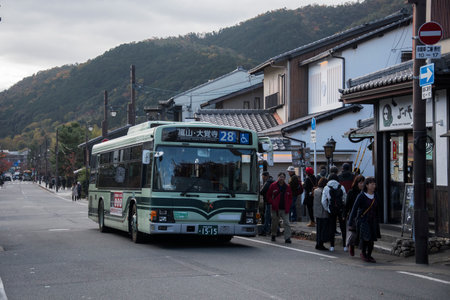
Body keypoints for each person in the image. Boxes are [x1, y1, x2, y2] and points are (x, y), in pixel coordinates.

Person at [348, 177, 380, 263]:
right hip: (363, 220)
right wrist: (350, 221)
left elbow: (378, 208)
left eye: (374, 184)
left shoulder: (376, 195)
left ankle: (369, 254)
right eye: (372, 184)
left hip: (373, 220)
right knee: (366, 238)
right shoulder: (361, 196)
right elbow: (354, 209)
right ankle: (363, 253)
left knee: (372, 239)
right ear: (367, 185)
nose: (374, 186)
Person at [321, 173, 347, 252]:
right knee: (343, 227)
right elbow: (345, 198)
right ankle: (344, 246)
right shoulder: (341, 187)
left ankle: (332, 246)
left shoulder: (326, 187)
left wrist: (327, 209)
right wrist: (343, 206)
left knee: (332, 227)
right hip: (340, 209)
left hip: (331, 210)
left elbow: (323, 201)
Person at [267, 172, 293, 243]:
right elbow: (268, 195)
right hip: (276, 208)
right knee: (274, 222)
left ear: (285, 178)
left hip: (285, 208)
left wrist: (289, 204)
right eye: (280, 177)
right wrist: (272, 203)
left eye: (283, 177)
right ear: (278, 177)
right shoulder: (273, 185)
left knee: (287, 223)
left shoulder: (287, 187)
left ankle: (287, 238)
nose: (281, 178)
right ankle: (273, 234)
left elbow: (290, 197)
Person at [345, 175, 365, 256]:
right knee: (353, 233)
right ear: (356, 183)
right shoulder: (351, 192)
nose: (362, 184)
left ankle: (363, 251)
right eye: (360, 183)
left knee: (363, 234)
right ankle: (351, 245)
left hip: (363, 216)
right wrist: (345, 214)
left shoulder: (365, 193)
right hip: (354, 216)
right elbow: (347, 205)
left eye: (364, 183)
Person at [314, 177, 329, 250]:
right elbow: (324, 202)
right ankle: (321, 244)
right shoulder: (324, 191)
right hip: (323, 212)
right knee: (323, 229)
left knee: (318, 229)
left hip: (317, 212)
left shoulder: (316, 190)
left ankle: (318, 243)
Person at [259, 171, 274, 236]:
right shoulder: (273, 182)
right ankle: (274, 229)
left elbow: (261, 191)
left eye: (263, 176)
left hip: (268, 201)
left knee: (267, 217)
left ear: (265, 176)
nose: (263, 178)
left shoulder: (267, 183)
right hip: (273, 202)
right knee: (270, 217)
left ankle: (265, 230)